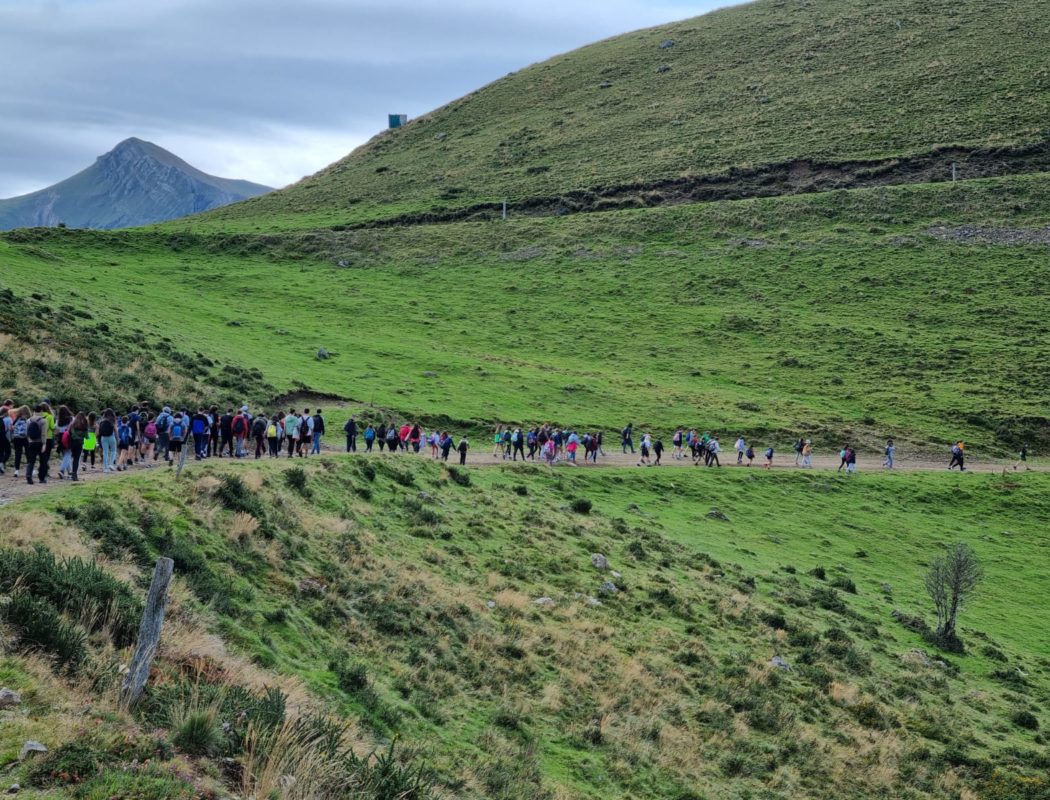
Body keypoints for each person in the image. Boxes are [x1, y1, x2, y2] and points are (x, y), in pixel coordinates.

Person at [25, 407, 47, 484]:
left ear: (33, 411)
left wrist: (29, 441)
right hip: (40, 443)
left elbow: (27, 433)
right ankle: (42, 478)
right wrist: (44, 444)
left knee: (31, 461)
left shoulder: (28, 420)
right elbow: (44, 434)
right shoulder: (43, 421)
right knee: (43, 461)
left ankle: (28, 475)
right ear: (41, 411)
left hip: (31, 443)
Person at [68, 412, 89, 481]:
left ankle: (70, 472)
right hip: (80, 443)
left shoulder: (73, 424)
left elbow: (71, 433)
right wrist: (81, 436)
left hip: (72, 442)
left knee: (71, 457)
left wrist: (76, 436)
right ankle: (74, 475)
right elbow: (87, 437)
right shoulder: (85, 424)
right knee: (76, 459)